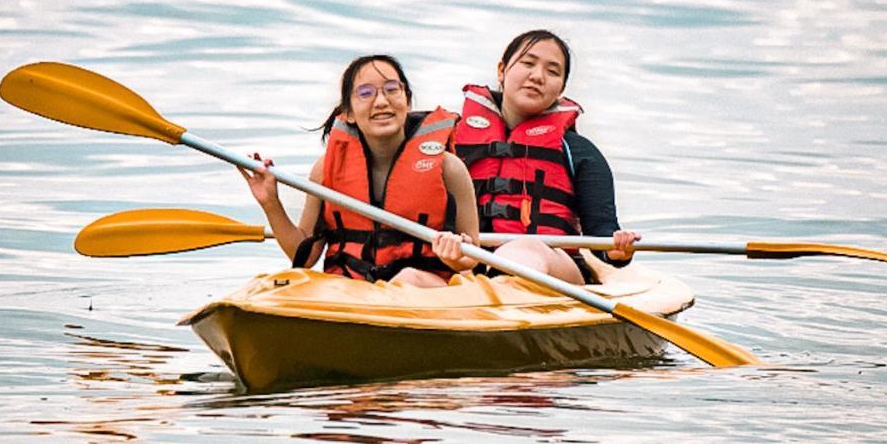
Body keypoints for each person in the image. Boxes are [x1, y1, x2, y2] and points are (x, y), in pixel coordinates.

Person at [240, 54, 478, 287]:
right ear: (349, 112)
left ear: (407, 100)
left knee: (408, 279)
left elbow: (472, 259)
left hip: (426, 288)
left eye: (392, 89)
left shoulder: (450, 169)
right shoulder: (326, 170)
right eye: (366, 93)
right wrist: (270, 203)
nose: (382, 101)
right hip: (355, 291)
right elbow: (304, 256)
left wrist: (455, 254)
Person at [453, 29, 641, 285]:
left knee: (524, 249)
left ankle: (495, 293)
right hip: (468, 261)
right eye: (528, 63)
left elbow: (603, 238)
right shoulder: (450, 140)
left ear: (561, 88)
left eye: (552, 71)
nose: (537, 76)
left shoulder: (579, 152)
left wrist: (617, 250)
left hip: (554, 268)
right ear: (502, 70)